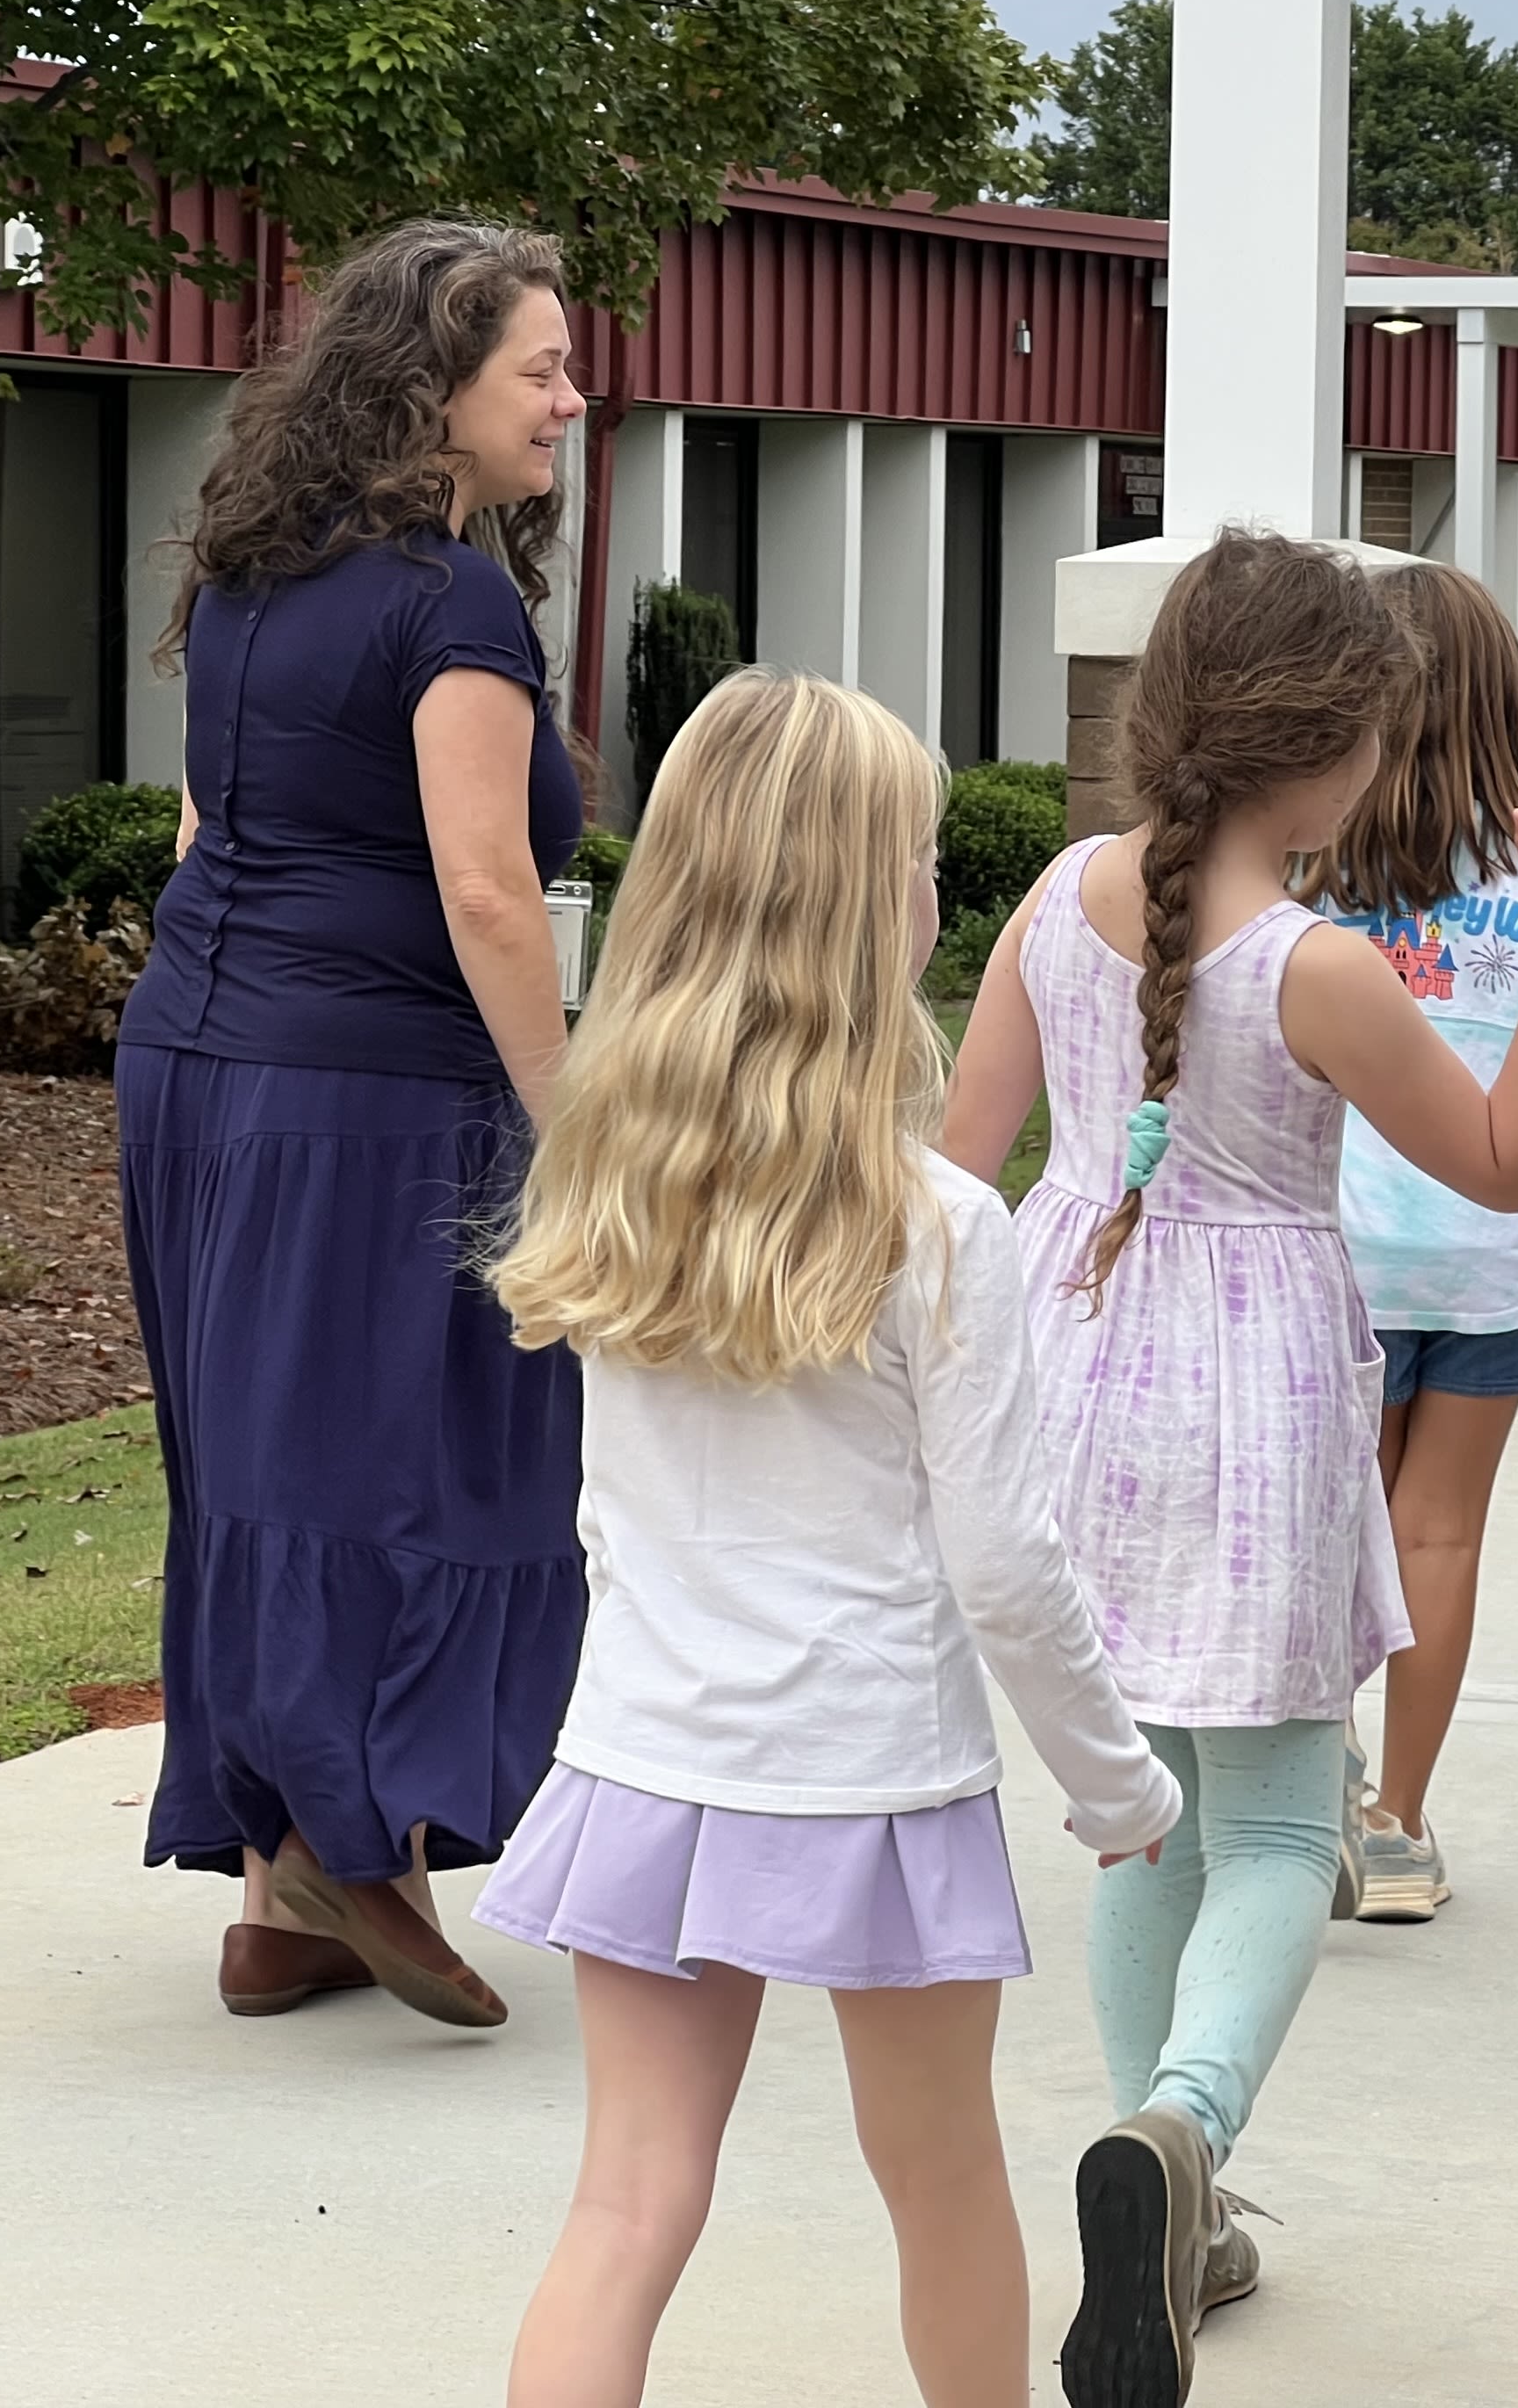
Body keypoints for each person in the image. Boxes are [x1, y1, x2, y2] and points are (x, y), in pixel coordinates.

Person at [940, 530, 1518, 2408]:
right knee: (1273, 1827)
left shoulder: (1055, 901)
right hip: (1252, 1402)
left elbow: (957, 1162)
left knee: (1140, 1815)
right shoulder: (1313, 965)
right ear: (1338, 756)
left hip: (1076, 1376)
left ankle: (1167, 2185)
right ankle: (1182, 2128)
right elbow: (1505, 1161)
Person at [477, 674, 1183, 2408]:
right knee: (941, 2183)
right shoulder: (942, 1229)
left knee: (627, 2202)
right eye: (923, 858)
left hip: (647, 1753)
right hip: (871, 1776)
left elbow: (598, 1508)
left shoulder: (603, 1182)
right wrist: (1119, 1789)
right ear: (875, 911)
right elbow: (1006, 1566)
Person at [119, 217, 594, 2028]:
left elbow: (196, 840)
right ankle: (355, 1852)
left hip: (198, 1066)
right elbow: (489, 893)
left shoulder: (255, 575)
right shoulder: (448, 600)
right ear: (436, 389)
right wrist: (571, 1130)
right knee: (407, 1450)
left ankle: (279, 1893)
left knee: (258, 1454)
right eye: (537, 367)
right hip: (371, 1093)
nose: (571, 394)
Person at [1297, 562, 1518, 1925]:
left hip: (1340, 1256)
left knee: (1333, 1537)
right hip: (1498, 1257)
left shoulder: (1308, 870)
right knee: (1437, 1539)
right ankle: (1399, 1825)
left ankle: (1304, 1797)